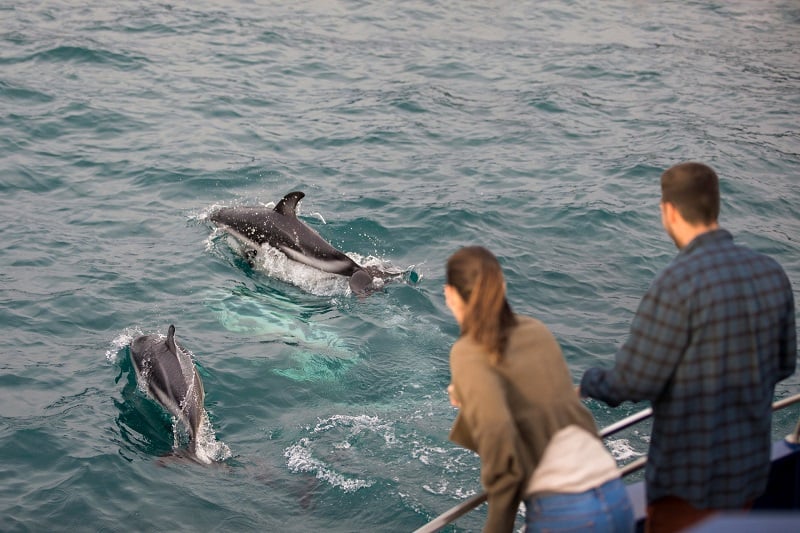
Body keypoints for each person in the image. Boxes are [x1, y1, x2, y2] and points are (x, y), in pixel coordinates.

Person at [579, 162, 797, 532]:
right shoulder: (771, 271)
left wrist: (586, 384)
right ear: (715, 205)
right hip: (748, 468)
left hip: (690, 482)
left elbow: (632, 382)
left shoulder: (676, 282)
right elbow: (784, 364)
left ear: (669, 211)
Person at [444, 246, 634, 532]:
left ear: (449, 294)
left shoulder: (467, 352)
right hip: (613, 490)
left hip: (567, 514)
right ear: (502, 286)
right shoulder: (536, 329)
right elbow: (549, 406)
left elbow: (500, 447)